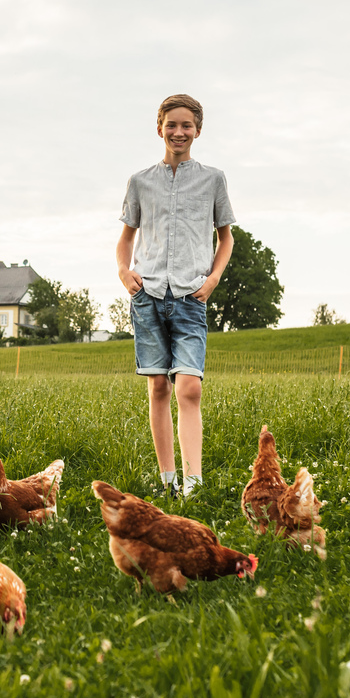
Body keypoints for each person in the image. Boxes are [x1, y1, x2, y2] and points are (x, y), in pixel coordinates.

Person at [116, 93, 236, 496]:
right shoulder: (140, 181)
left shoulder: (213, 179)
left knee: (189, 387)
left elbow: (226, 237)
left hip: (190, 296)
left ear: (198, 131)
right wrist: (123, 271)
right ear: (159, 128)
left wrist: (214, 277)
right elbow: (126, 238)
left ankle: (193, 482)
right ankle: (167, 479)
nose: (179, 132)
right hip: (148, 295)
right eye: (172, 124)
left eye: (187, 125)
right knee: (158, 388)